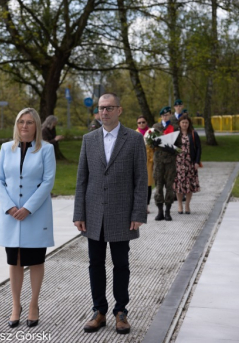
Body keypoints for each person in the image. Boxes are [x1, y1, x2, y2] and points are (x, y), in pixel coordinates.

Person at [73, 93, 148, 335]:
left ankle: (121, 311)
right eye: (101, 108)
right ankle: (99, 311)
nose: (104, 112)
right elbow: (81, 180)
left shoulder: (135, 140)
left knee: (121, 264)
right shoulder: (89, 140)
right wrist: (79, 213)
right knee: (95, 263)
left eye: (109, 108)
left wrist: (138, 212)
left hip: (121, 214)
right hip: (94, 213)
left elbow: (141, 180)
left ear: (119, 110)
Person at [0, 107, 56, 329]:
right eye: (21, 121)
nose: (24, 126)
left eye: (29, 122)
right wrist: (10, 207)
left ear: (36, 126)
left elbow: (48, 182)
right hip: (11, 216)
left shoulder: (46, 150)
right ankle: (15, 305)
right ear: (16, 124)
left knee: (36, 260)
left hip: (35, 215)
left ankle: (33, 304)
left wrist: (28, 208)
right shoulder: (5, 149)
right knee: (15, 260)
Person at [153, 106, 180, 221]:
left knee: (169, 186)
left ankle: (167, 211)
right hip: (158, 161)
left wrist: (173, 149)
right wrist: (155, 142)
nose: (165, 117)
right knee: (158, 186)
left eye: (167, 115)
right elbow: (151, 143)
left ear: (170, 115)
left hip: (170, 161)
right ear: (161, 117)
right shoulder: (156, 127)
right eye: (163, 115)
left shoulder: (174, 127)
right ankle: (160, 211)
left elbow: (179, 145)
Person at [173, 114, 201, 214]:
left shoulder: (193, 134)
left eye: (186, 123)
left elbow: (198, 149)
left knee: (189, 185)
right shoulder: (176, 134)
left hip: (190, 163)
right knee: (179, 185)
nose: (185, 124)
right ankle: (180, 205)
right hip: (179, 163)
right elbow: (171, 147)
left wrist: (197, 162)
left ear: (189, 124)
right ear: (179, 124)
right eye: (183, 122)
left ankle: (187, 205)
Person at [136, 115, 154, 213]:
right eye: (139, 122)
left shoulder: (151, 133)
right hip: (137, 162)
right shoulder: (134, 133)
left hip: (149, 161)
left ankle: (146, 206)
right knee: (137, 184)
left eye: (143, 122)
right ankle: (138, 205)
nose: (141, 124)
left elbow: (155, 147)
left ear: (146, 122)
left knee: (148, 184)